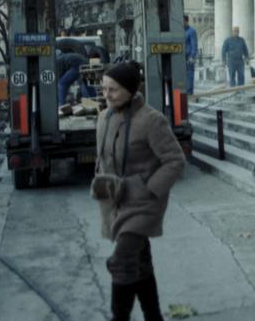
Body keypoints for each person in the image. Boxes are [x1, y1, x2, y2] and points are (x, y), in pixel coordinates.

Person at [92, 61, 185, 321]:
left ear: (131, 91)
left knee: (121, 262)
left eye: (113, 90)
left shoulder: (151, 120)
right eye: (104, 88)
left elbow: (175, 161)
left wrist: (150, 189)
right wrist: (100, 182)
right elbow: (104, 158)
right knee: (140, 264)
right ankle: (153, 316)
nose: (106, 95)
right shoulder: (103, 118)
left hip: (143, 205)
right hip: (116, 204)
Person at [183, 15, 198, 95]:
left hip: (189, 57)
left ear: (186, 21)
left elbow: (194, 45)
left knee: (189, 76)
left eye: (182, 21)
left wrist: (192, 56)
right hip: (180, 57)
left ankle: (189, 94)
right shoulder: (179, 31)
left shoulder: (191, 31)